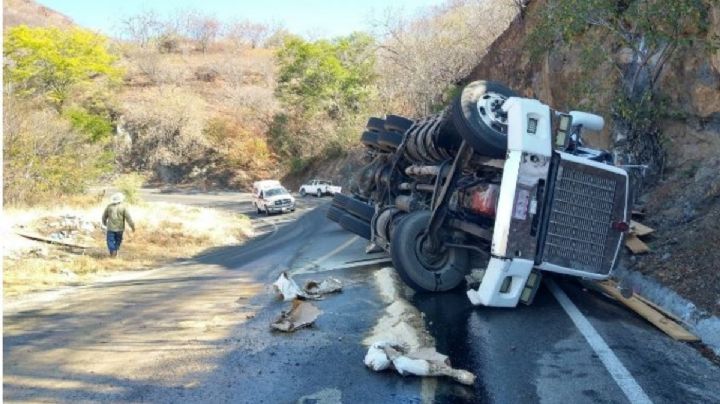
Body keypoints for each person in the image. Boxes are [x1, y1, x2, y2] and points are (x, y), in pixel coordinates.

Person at [102, 193, 135, 257]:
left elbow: (104, 216)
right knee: (118, 240)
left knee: (110, 241)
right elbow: (129, 218)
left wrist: (104, 223)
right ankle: (115, 250)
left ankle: (112, 251)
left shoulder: (109, 207)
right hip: (120, 228)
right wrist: (132, 226)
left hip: (110, 228)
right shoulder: (123, 207)